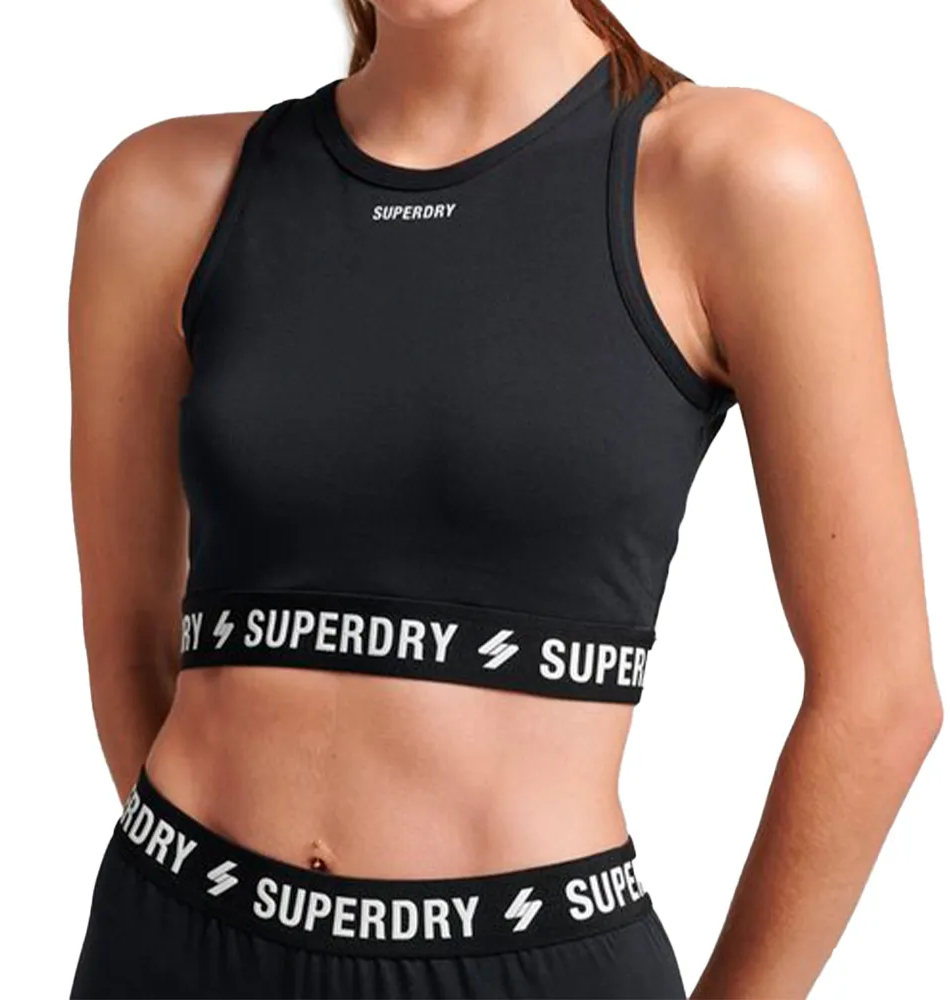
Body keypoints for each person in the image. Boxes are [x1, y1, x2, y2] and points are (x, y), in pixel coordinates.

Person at [67, 1, 942, 997]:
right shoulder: (165, 193)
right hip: (173, 940)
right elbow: (126, 644)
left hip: (527, 963)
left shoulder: (738, 175)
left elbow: (880, 697)